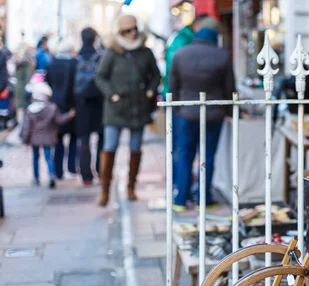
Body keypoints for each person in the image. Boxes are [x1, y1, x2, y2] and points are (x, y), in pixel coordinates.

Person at [95, 14, 160, 206]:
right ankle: (105, 189)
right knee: (109, 148)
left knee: (135, 148)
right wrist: (112, 94)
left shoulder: (145, 52)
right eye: (127, 31)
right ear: (121, 32)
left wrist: (150, 91)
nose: (132, 34)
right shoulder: (112, 53)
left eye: (134, 30)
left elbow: (155, 75)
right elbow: (100, 77)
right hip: (116, 108)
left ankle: (131, 186)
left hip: (138, 107)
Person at [169, 27, 235, 212]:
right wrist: (229, 111)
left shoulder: (180, 54)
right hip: (213, 114)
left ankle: (181, 198)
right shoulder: (222, 56)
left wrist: (177, 108)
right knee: (208, 156)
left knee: (185, 154)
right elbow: (229, 87)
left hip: (187, 113)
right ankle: (203, 199)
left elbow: (173, 84)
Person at [21, 82, 75, 188]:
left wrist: (25, 140)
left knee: (35, 158)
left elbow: (27, 128)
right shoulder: (51, 108)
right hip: (47, 138)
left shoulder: (30, 110)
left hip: (34, 139)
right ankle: (51, 175)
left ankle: (36, 178)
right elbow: (60, 120)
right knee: (48, 157)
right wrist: (70, 115)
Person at [74, 27, 104, 186]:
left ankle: (86, 176)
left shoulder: (76, 59)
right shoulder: (100, 58)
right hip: (99, 104)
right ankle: (101, 171)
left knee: (84, 141)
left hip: (82, 105)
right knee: (101, 140)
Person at [45, 38, 78, 180]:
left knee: (57, 139)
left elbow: (48, 84)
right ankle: (71, 167)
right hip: (71, 104)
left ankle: (58, 170)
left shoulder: (51, 64)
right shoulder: (73, 64)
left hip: (55, 105)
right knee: (73, 138)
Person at [13, 45, 34, 123]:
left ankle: (19, 123)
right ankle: (23, 126)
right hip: (24, 86)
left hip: (17, 85)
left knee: (19, 107)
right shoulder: (27, 62)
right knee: (25, 106)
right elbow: (27, 76)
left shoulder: (18, 61)